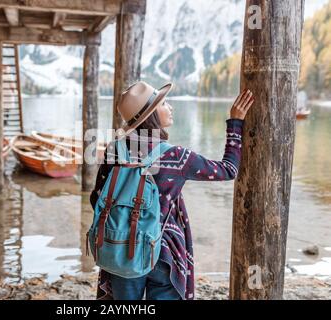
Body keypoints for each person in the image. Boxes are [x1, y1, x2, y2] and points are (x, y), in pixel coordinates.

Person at [90, 81, 254, 300]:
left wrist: (126, 219)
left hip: (119, 248)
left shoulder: (115, 150)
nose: (170, 107)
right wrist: (235, 123)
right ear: (150, 115)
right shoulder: (175, 157)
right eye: (164, 103)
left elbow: (97, 199)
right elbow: (228, 170)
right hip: (163, 252)